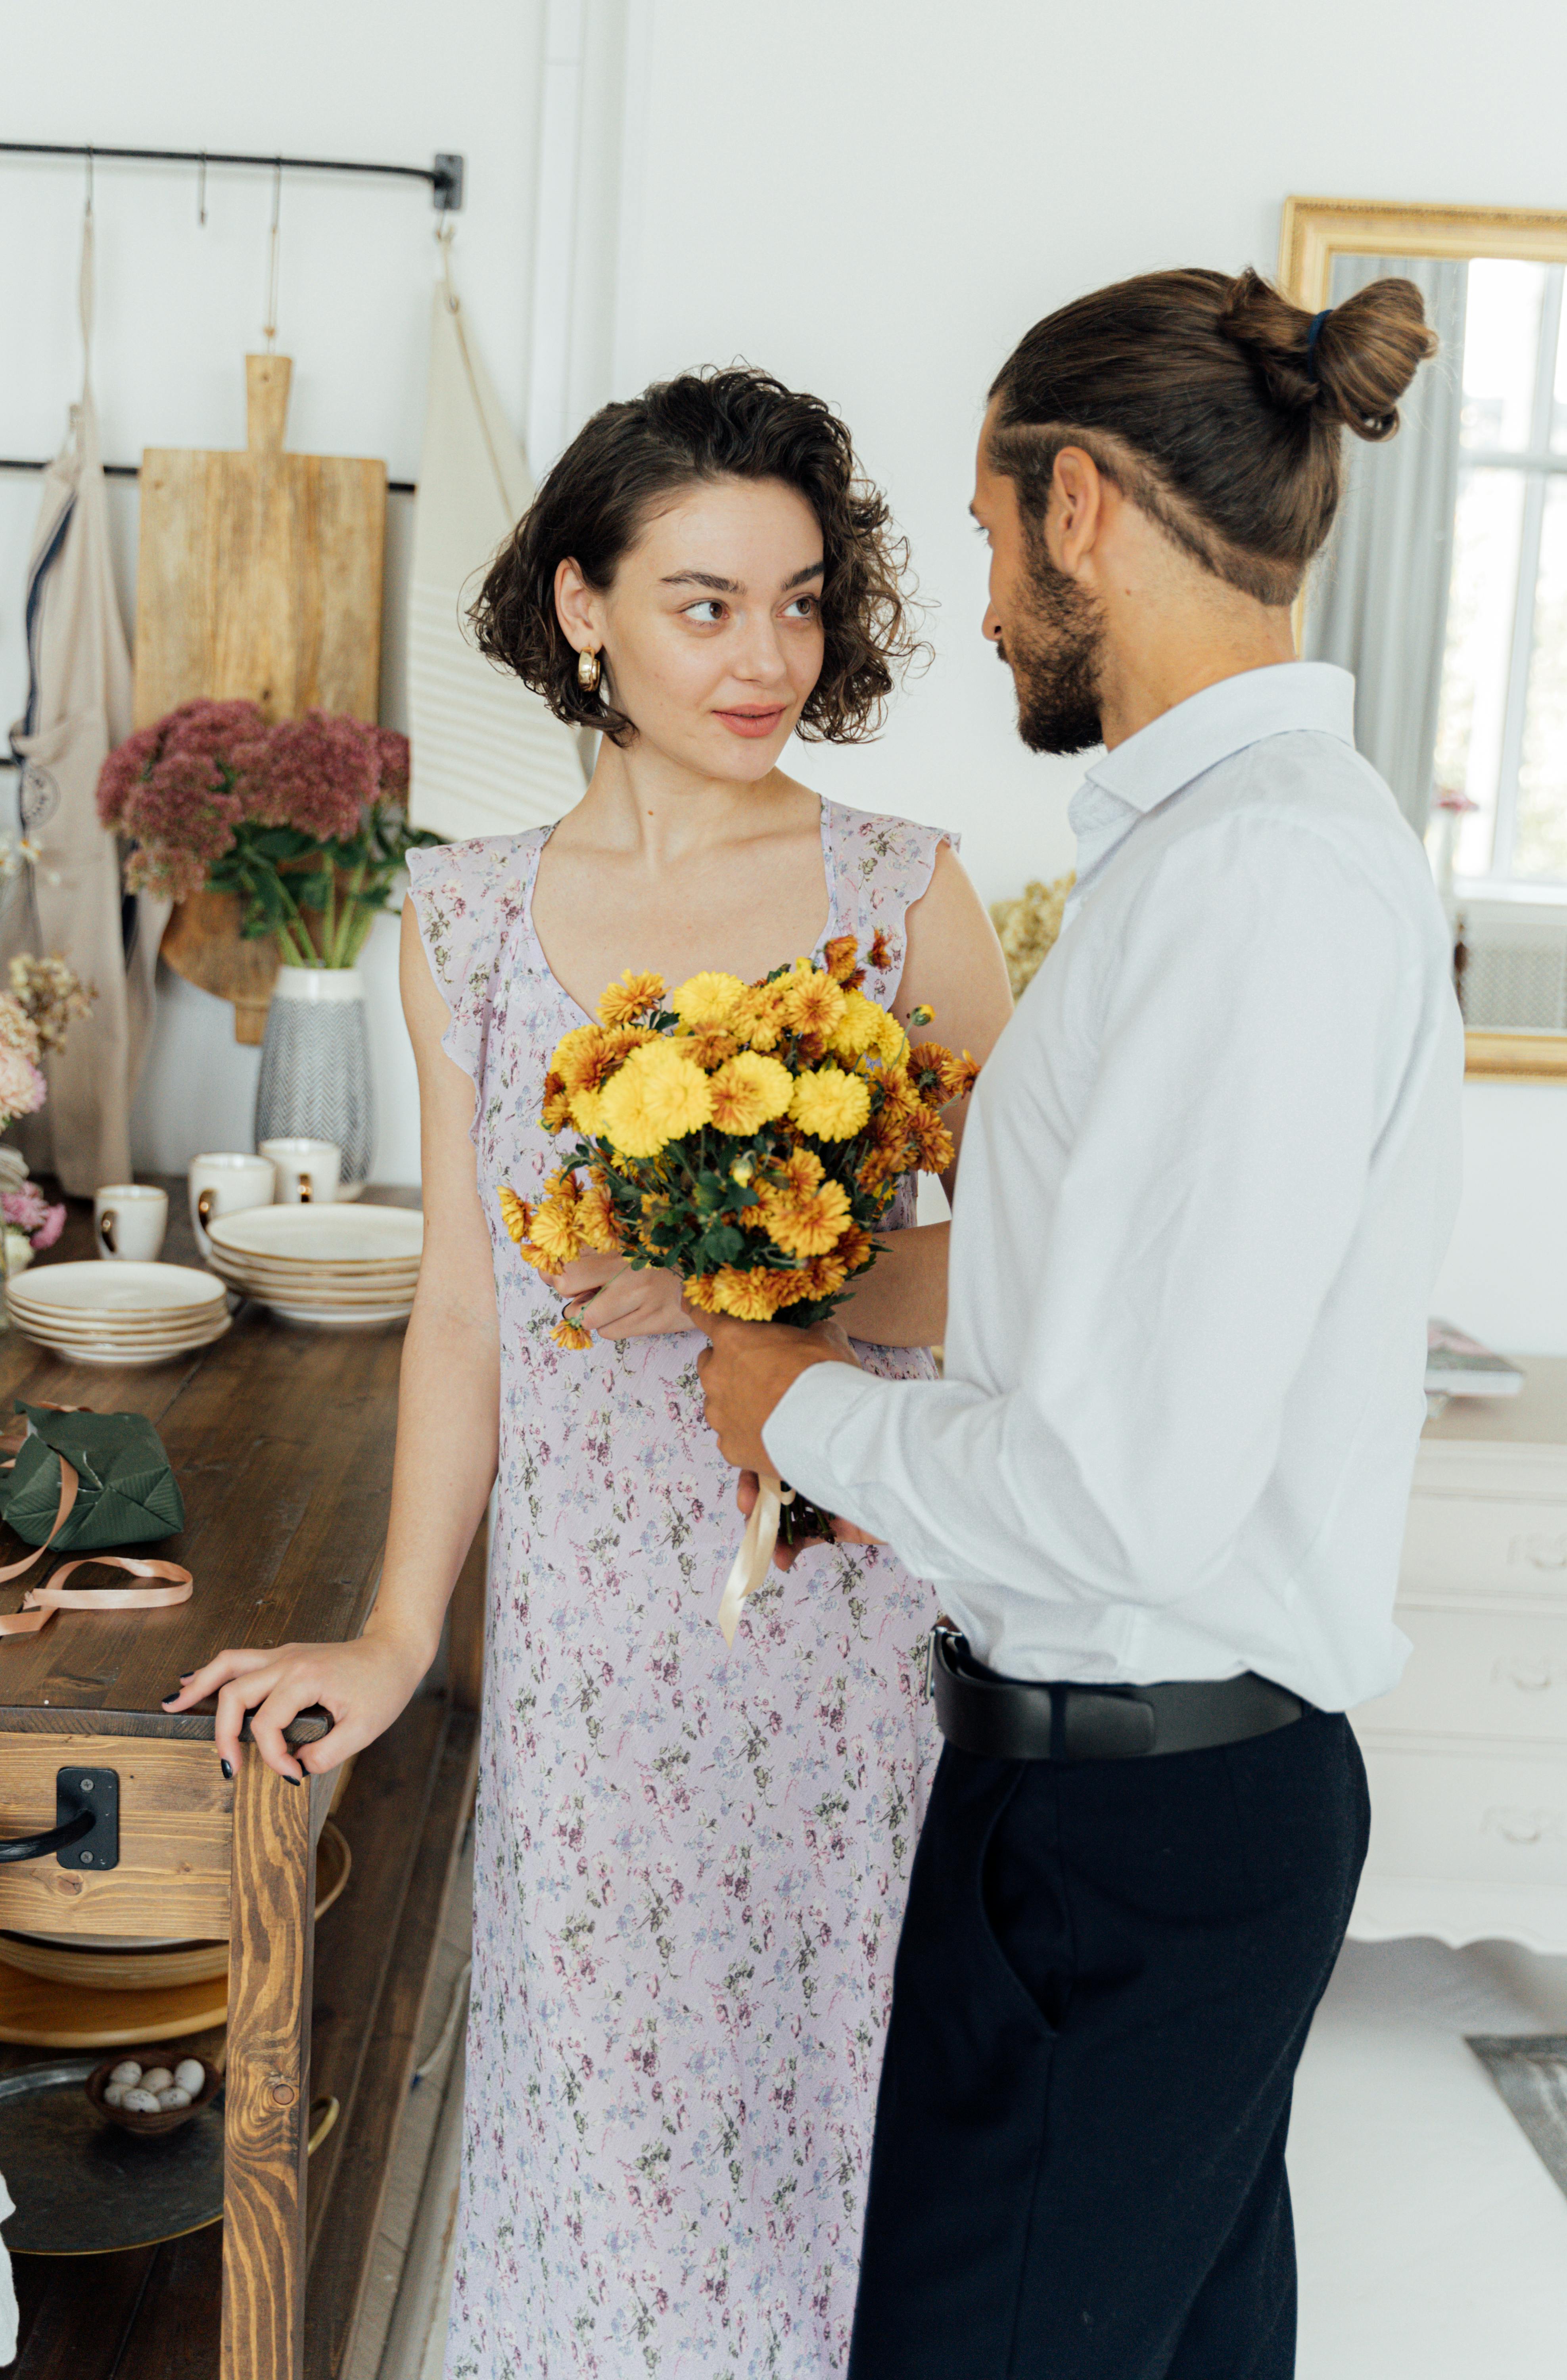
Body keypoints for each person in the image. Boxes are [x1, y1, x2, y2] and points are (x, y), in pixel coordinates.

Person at [166, 365, 1011, 2379]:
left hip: (846, 1621)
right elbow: (464, 1306)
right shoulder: (459, 910)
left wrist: (776, 1305)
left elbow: (1036, 1273)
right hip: (593, 1651)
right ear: (581, 609)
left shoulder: (908, 890)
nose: (766, 657)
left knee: (831, 2135)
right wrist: (387, 1640)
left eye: (802, 602)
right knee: (607, 2151)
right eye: (706, 602)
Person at [696, 270, 1466, 2380]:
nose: (992, 603)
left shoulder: (1259, 890)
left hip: (1135, 1837)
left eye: (986, 530)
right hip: (1131, 1812)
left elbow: (1117, 1491)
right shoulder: (1217, 859)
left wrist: (797, 1412)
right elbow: (1110, 1381)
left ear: (1083, 509)